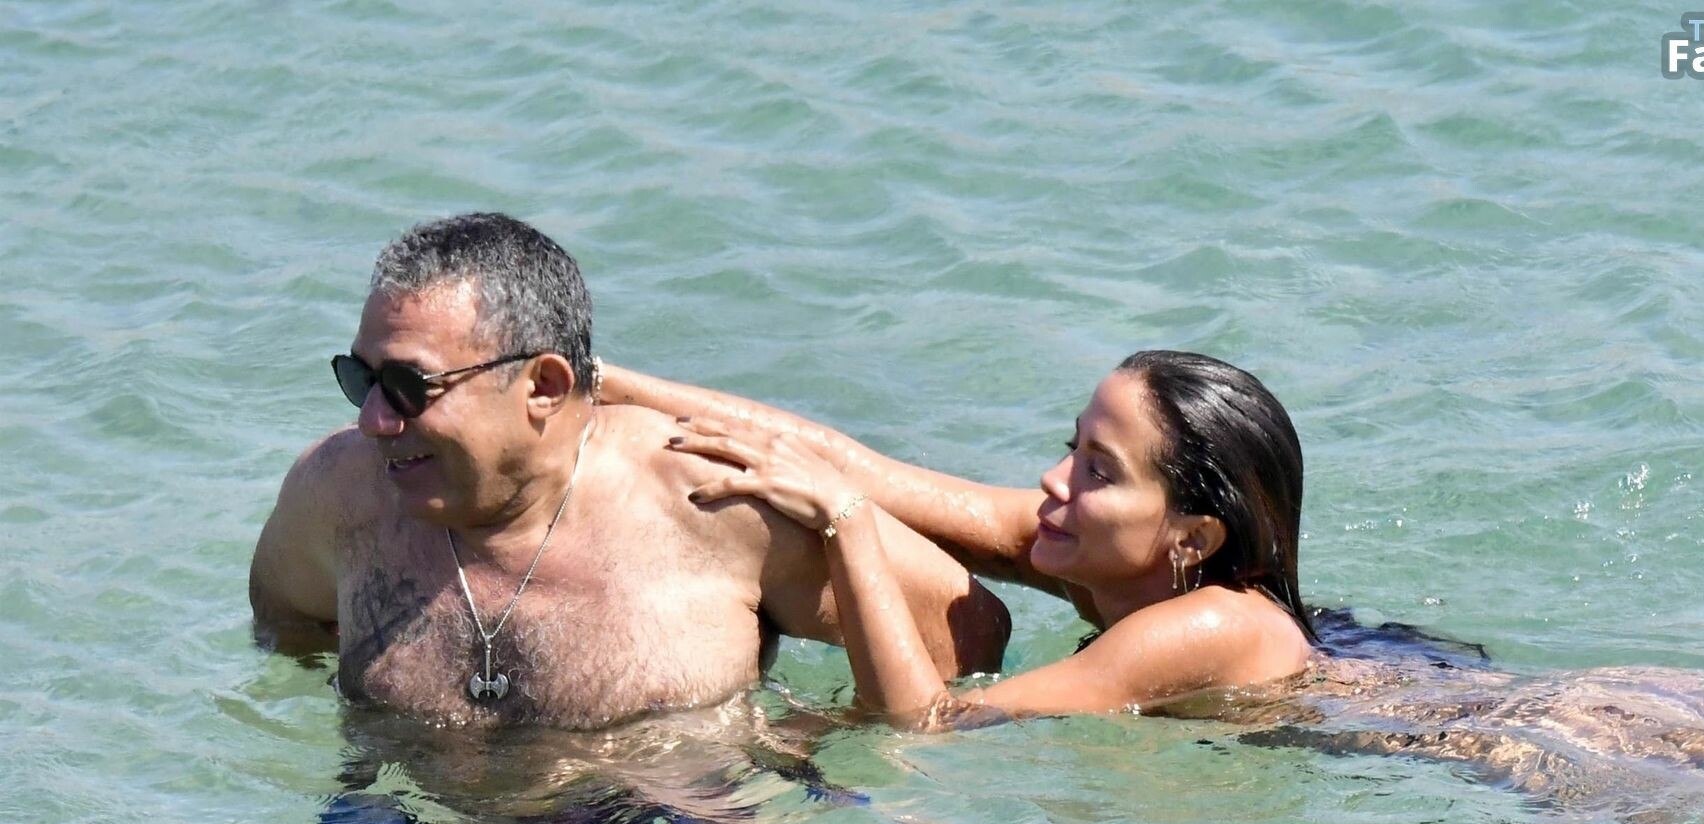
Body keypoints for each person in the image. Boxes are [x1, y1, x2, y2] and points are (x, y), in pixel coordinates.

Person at [250, 213, 1008, 729]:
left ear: (544, 386)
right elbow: (286, 627)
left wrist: (801, 738)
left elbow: (967, 638)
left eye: (409, 387)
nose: (373, 420)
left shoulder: (713, 497)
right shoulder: (339, 491)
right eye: (361, 379)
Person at [599, 350, 1315, 729]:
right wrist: (600, 383)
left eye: (1100, 472)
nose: (1054, 480)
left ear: (1193, 539)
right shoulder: (1103, 553)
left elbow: (929, 724)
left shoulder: (1214, 625)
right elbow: (860, 470)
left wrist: (845, 520)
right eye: (1073, 449)